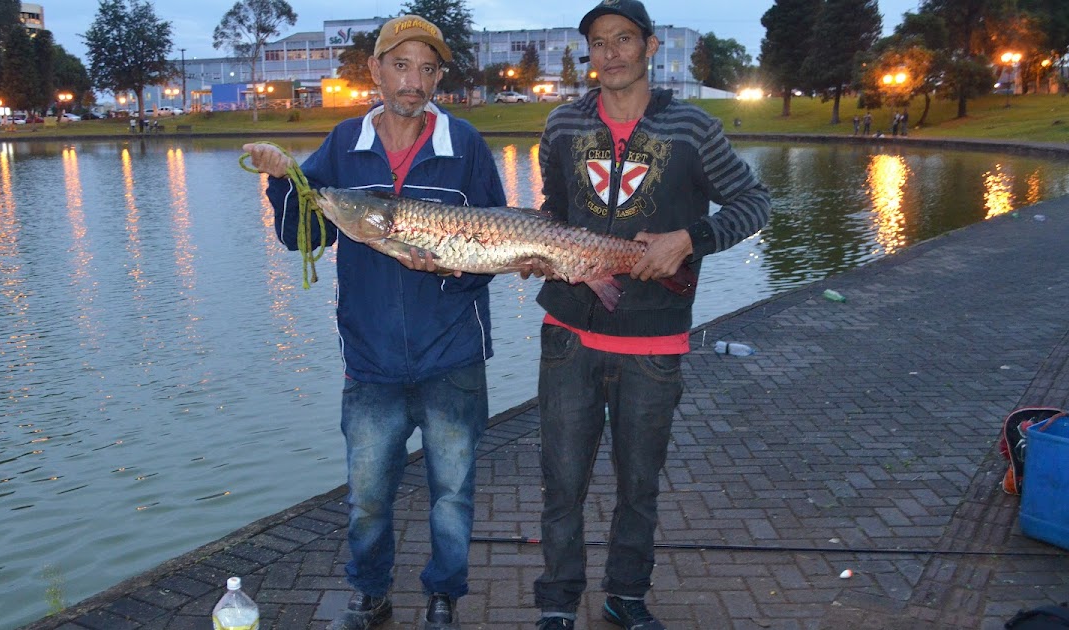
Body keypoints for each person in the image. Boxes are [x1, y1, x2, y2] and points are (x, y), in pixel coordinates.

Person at [241, 15, 507, 630]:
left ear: (440, 75)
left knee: (452, 495)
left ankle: (443, 597)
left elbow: (498, 241)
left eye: (428, 68)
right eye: (402, 65)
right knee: (367, 500)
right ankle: (370, 595)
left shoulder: (464, 145)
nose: (415, 82)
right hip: (371, 361)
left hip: (453, 357)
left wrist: (450, 269)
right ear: (377, 70)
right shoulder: (343, 144)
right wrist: (283, 182)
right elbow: (300, 233)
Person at [527, 1, 772, 628]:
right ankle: (556, 604)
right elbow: (553, 214)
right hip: (568, 336)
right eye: (598, 42)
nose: (610, 53)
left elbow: (754, 202)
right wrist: (537, 252)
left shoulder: (691, 127)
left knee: (639, 486)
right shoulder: (560, 126)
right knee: (562, 484)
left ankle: (626, 596)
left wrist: (689, 239)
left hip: (654, 342)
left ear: (650, 47)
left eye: (623, 39)